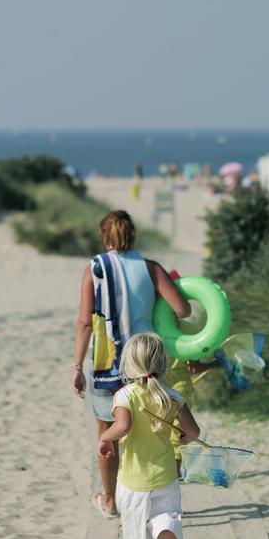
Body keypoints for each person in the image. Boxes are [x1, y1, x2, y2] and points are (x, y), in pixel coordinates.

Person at [72, 210, 191, 518]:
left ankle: (110, 500)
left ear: (104, 237)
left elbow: (85, 322)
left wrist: (76, 366)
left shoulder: (94, 268)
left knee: (108, 431)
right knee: (150, 427)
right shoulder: (151, 268)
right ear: (133, 236)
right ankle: (152, 497)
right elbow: (183, 308)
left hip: (108, 365)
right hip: (145, 360)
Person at [98, 333, 200, 539]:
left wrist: (105, 438)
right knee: (164, 522)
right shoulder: (173, 396)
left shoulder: (125, 395)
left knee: (136, 537)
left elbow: (123, 427)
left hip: (133, 481)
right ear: (163, 363)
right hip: (165, 476)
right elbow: (193, 432)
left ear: (129, 364)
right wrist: (182, 438)